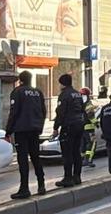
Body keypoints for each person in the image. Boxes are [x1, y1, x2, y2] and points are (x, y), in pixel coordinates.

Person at [5, 70, 46, 199]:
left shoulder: (17, 92)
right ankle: (41, 185)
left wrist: (8, 131)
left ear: (20, 80)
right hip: (34, 130)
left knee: (23, 160)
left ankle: (24, 189)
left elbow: (14, 113)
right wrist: (40, 127)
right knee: (36, 157)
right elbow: (43, 111)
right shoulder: (38, 92)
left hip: (21, 130)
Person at [53, 74, 86, 187]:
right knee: (76, 151)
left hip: (69, 125)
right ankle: (77, 176)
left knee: (67, 153)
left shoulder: (64, 95)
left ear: (62, 84)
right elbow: (82, 109)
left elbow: (60, 113)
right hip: (79, 125)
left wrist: (56, 128)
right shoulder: (77, 94)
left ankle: (68, 178)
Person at [80, 87, 97, 168]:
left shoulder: (78, 104)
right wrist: (96, 122)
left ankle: (82, 160)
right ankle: (88, 160)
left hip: (81, 128)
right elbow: (90, 115)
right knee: (92, 144)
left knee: (82, 145)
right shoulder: (88, 104)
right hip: (89, 128)